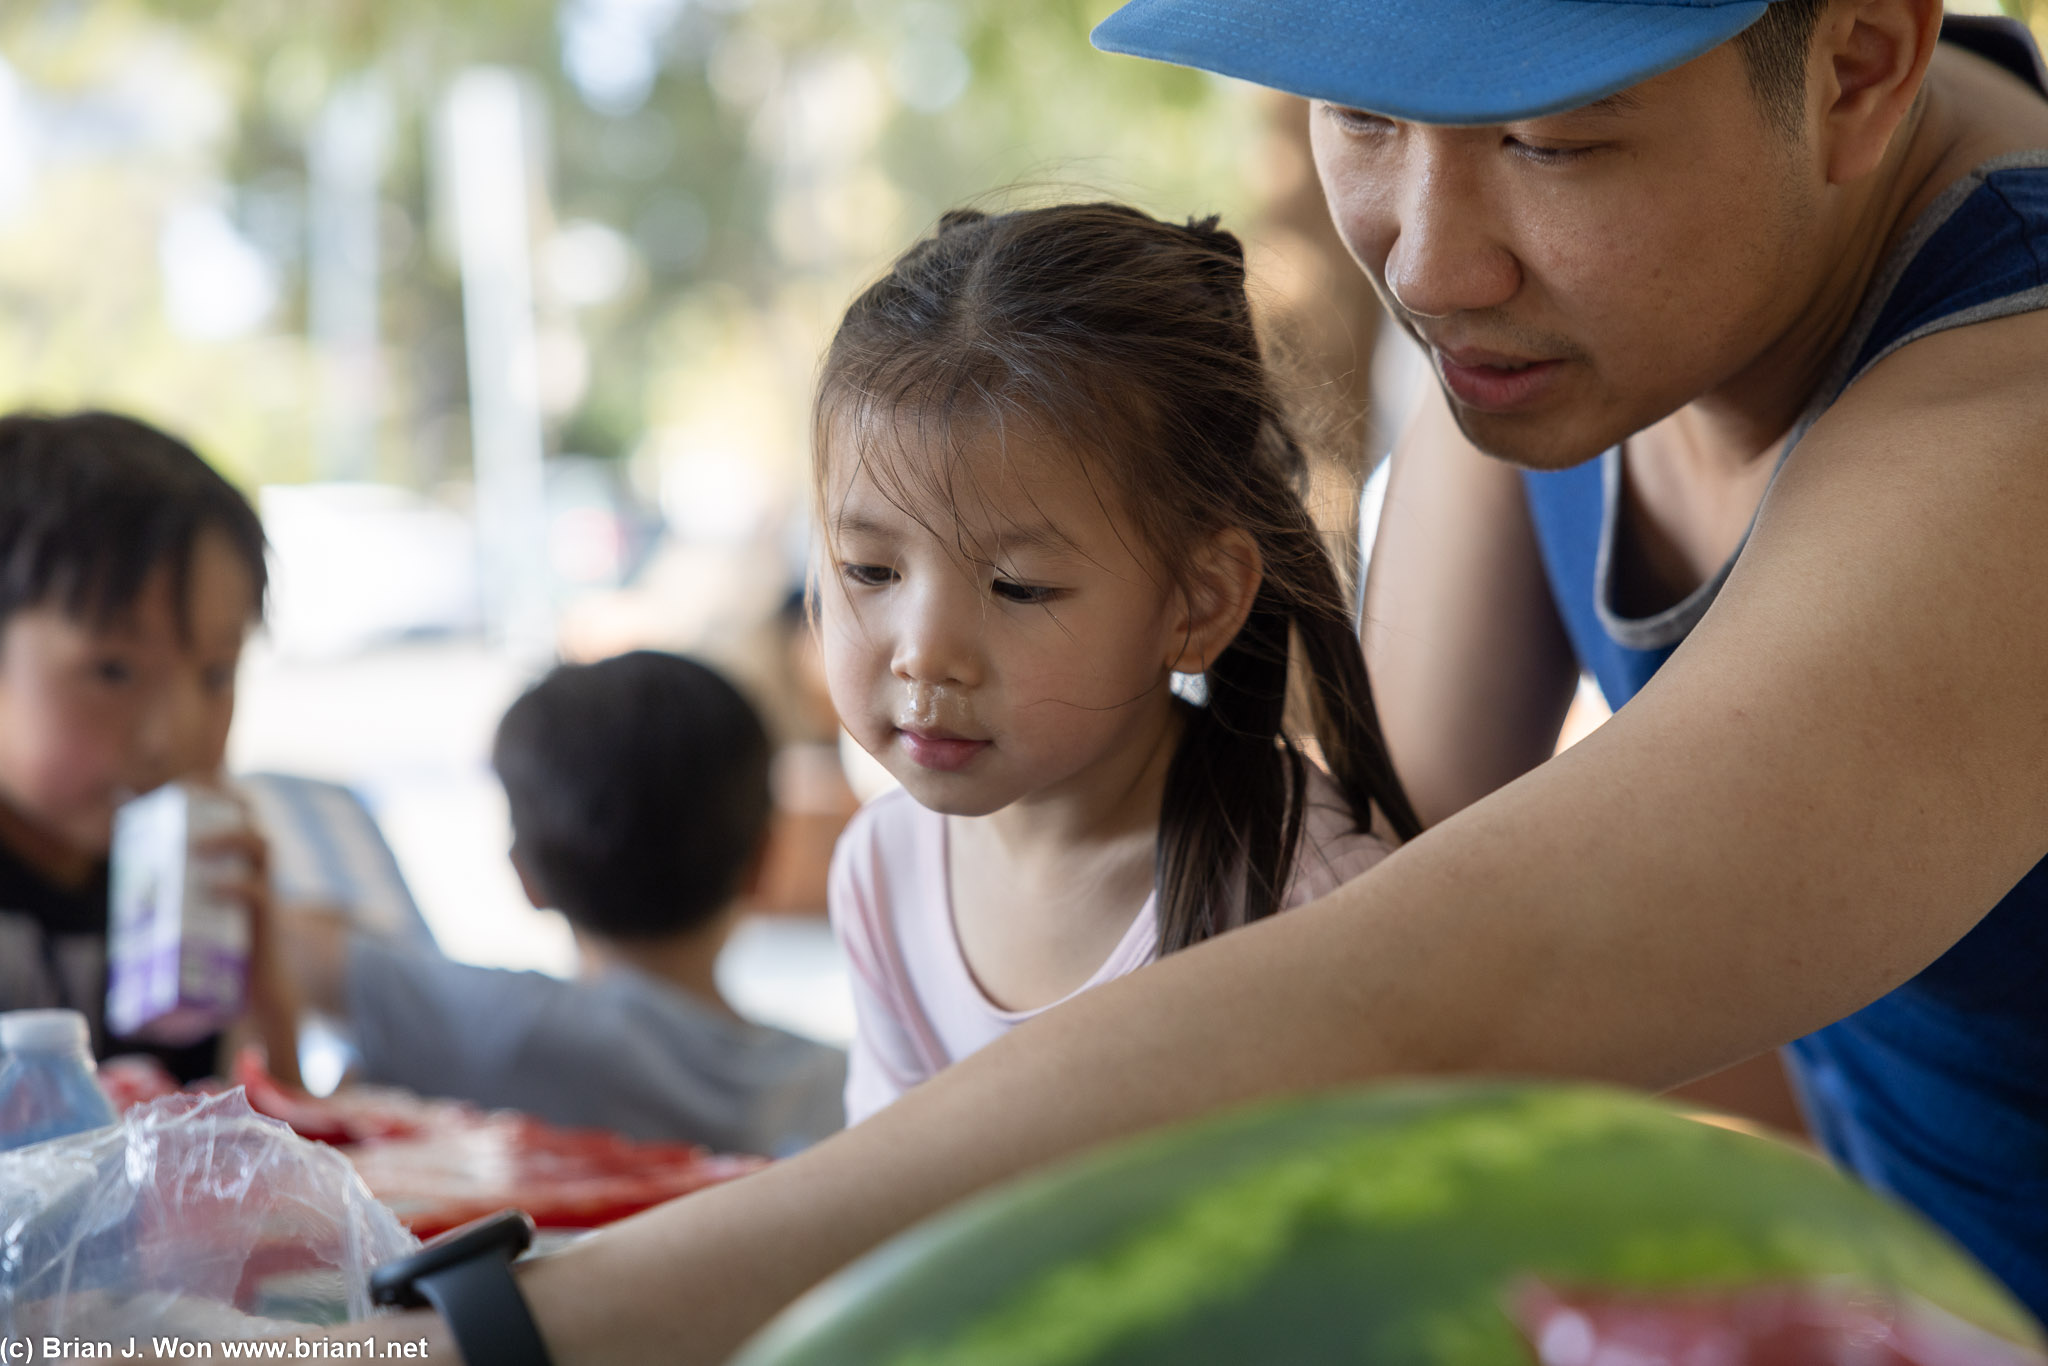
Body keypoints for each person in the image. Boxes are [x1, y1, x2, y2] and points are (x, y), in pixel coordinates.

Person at [312, 1, 2048, 1358]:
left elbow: (1444, 977)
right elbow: (1408, 855)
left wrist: (512, 1329)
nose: (1427, 262)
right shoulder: (1563, 310)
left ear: (1857, 65)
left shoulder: (2010, 422)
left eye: (1548, 137)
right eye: (1364, 110)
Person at [818, 204, 1419, 1123]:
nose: (924, 654)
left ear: (1198, 601)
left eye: (1018, 587)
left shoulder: (1307, 909)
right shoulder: (881, 869)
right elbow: (882, 1211)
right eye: (869, 570)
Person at [293, 650, 847, 1155]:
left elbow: (294, 948)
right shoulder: (846, 1085)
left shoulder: (517, 1034)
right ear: (765, 862)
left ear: (525, 876)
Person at [0, 410, 300, 1085]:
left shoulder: (179, 887)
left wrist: (264, 994)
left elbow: (282, 1155)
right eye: (113, 671)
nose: (175, 736)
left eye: (218, 675)